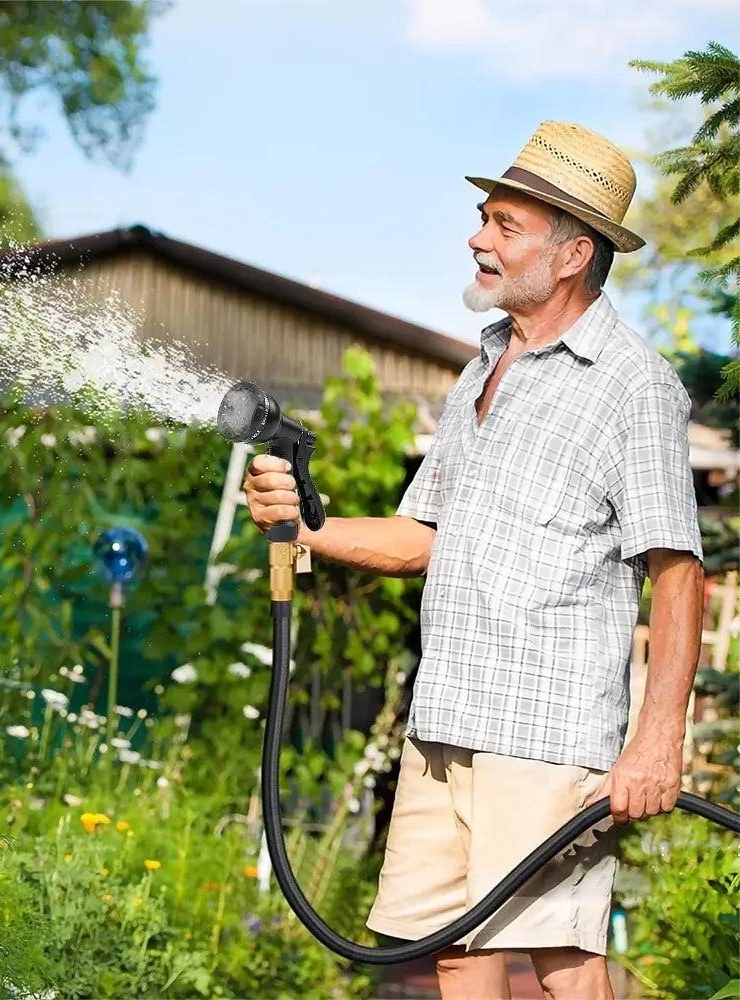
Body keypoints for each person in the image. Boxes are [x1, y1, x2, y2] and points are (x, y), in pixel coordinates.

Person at [241, 121, 704, 1000]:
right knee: (455, 951)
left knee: (564, 964)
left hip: (547, 730)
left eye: (503, 225)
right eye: (483, 218)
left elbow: (678, 572)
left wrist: (657, 742)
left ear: (572, 255)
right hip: (448, 713)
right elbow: (425, 538)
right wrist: (307, 528)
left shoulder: (632, 385)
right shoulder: (483, 368)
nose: (477, 238)